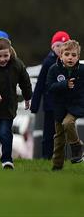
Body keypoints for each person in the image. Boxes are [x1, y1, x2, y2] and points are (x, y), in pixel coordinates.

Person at [0, 36, 33, 169]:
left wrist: (27, 97)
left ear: (10, 52)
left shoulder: (16, 64)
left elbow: (25, 82)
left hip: (7, 108)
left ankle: (7, 160)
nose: (3, 59)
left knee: (5, 134)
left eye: (5, 56)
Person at [31, 30, 71, 161]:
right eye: (58, 45)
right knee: (48, 132)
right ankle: (46, 156)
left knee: (63, 132)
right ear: (52, 47)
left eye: (64, 46)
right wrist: (35, 104)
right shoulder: (48, 62)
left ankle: (61, 157)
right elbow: (40, 84)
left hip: (65, 105)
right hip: (50, 105)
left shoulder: (70, 63)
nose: (60, 49)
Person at [46, 39, 84, 170]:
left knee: (67, 123)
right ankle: (57, 166)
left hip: (77, 105)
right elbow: (49, 87)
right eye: (67, 54)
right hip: (60, 107)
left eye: (73, 55)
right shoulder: (54, 69)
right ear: (61, 56)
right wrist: (64, 84)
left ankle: (77, 146)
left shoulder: (82, 70)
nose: (70, 58)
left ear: (78, 57)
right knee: (59, 138)